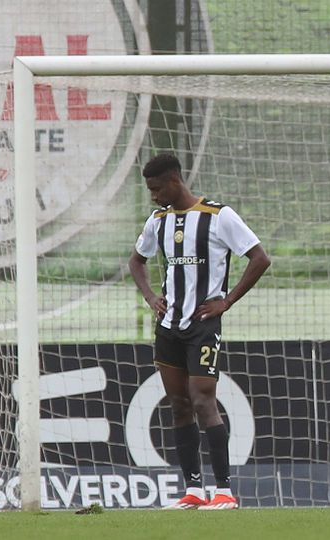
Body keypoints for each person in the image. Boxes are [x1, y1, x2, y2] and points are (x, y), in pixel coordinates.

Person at [128, 153, 271, 510]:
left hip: (203, 326)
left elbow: (259, 258)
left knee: (203, 400)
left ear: (175, 180)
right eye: (150, 190)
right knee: (178, 405)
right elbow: (136, 261)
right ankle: (193, 490)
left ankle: (223, 490)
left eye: (157, 188)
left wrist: (227, 300)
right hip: (168, 327)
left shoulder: (219, 216)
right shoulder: (158, 220)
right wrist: (150, 297)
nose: (154, 196)